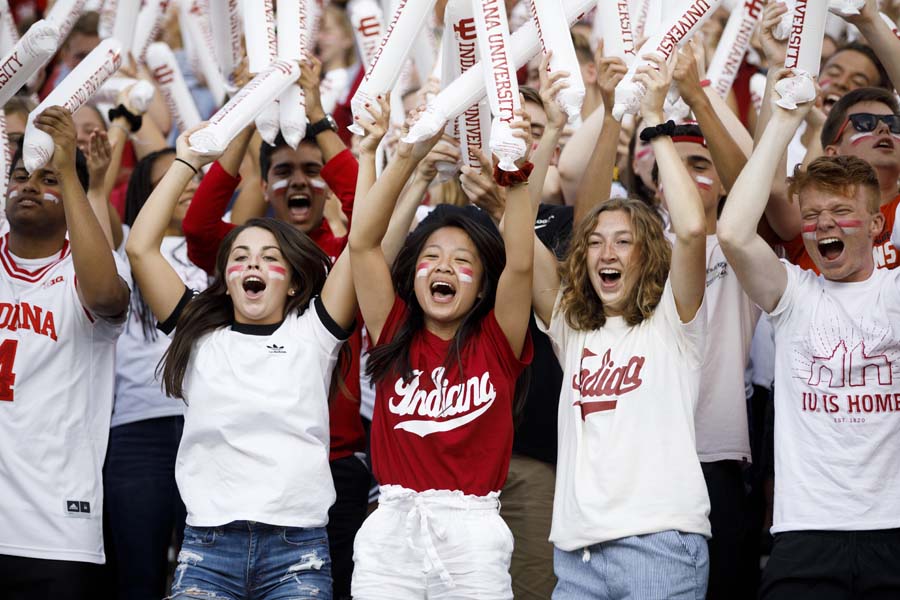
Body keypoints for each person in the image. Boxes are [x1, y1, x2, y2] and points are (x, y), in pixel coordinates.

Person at [124, 126, 358, 600]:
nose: (253, 265)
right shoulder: (198, 329)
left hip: (298, 552)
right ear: (226, 277)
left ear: (293, 282)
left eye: (270, 257)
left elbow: (365, 235)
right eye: (241, 257)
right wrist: (187, 161)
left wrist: (364, 151)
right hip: (207, 550)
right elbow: (140, 247)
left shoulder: (314, 330)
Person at [181, 57, 369, 598]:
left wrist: (316, 117)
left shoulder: (344, 255)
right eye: (283, 171)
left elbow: (366, 214)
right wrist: (243, 119)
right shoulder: (243, 260)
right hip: (233, 489)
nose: (299, 182)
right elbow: (196, 227)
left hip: (332, 468)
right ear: (263, 185)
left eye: (312, 170)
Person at [717, 69, 900, 599]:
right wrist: (784, 120)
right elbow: (732, 231)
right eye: (813, 214)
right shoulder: (793, 293)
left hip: (892, 530)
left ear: (876, 226)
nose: (824, 225)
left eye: (842, 212)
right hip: (805, 535)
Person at [534, 54, 711, 599]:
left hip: (659, 547)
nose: (606, 251)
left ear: (648, 256)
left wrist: (654, 120)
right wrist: (553, 128)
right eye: (594, 241)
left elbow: (691, 225)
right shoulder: (571, 325)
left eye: (623, 241)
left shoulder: (673, 322)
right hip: (577, 558)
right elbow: (516, 237)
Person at [348, 107, 535, 599]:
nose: (442, 267)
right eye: (430, 257)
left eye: (460, 261)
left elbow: (519, 263)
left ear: (480, 288)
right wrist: (407, 156)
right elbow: (362, 245)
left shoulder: (498, 339)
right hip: (391, 530)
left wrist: (515, 176)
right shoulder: (392, 331)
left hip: (472, 535)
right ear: (412, 275)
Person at [0, 106, 131, 599]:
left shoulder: (91, 267)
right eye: (20, 176)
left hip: (56, 532)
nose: (30, 185)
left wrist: (72, 169)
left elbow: (106, 298)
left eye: (48, 178)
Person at [104, 149, 208, 600]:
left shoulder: (219, 248)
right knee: (137, 580)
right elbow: (94, 197)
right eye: (171, 178)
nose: (187, 184)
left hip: (206, 431)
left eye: (193, 176)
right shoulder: (123, 251)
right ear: (146, 192)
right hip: (134, 434)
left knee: (203, 581)